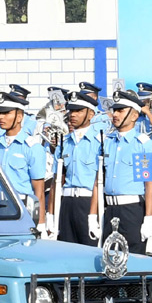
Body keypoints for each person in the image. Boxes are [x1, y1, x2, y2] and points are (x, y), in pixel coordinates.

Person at [100, 90, 152, 254]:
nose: (115, 114)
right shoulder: (108, 142)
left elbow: (150, 185)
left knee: (133, 259)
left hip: (132, 209)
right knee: (109, 259)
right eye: (115, 110)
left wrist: (148, 218)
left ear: (134, 116)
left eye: (121, 110)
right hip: (110, 208)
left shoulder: (143, 144)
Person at [52, 89, 100, 246]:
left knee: (90, 250)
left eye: (78, 111)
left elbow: (100, 181)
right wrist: (50, 213)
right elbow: (57, 180)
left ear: (91, 114)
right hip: (66, 201)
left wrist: (94, 214)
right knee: (67, 250)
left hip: (88, 202)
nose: (73, 114)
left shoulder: (100, 141)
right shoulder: (64, 141)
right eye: (71, 110)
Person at [0, 90, 47, 220]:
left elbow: (39, 191)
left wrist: (41, 222)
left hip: (21, 206)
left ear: (19, 117)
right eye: (0, 113)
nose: (1, 117)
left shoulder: (32, 147)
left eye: (6, 113)